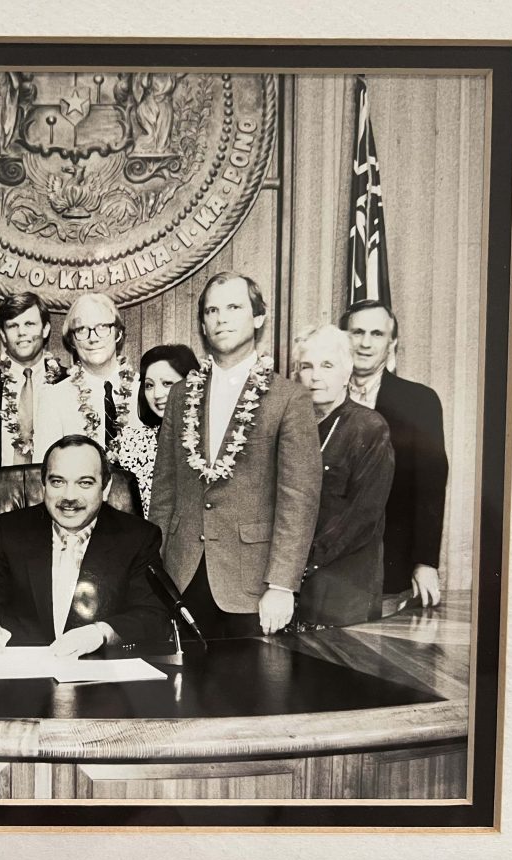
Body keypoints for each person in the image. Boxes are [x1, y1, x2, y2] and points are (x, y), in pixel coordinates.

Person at [150, 272, 322, 639]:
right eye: (212, 310)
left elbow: (299, 501)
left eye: (233, 307)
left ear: (258, 318)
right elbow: (163, 491)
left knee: (248, 690)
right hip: (182, 576)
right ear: (202, 324)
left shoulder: (289, 399)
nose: (221, 318)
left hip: (253, 586)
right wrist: (155, 572)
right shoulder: (181, 395)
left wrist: (281, 585)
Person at [0, 435, 170, 656]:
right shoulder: (7, 531)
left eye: (85, 483)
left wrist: (101, 633)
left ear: (106, 488)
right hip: (23, 676)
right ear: (44, 485)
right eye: (58, 482)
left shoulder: (137, 537)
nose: (69, 496)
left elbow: (154, 615)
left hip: (100, 676)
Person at [341, 299, 449, 607]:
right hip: (325, 571)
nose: (364, 343)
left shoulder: (420, 402)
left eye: (376, 334)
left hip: (391, 569)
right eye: (356, 332)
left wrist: (426, 562)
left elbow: (430, 488)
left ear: (393, 342)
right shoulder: (317, 396)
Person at [292, 325, 395, 627]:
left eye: (327, 365)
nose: (315, 376)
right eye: (306, 366)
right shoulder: (290, 426)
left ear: (347, 370)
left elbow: (361, 516)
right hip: (291, 580)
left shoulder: (369, 427)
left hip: (343, 585)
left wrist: (301, 562)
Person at [0, 292, 67, 471]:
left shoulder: (67, 382)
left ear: (46, 329)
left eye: (29, 324)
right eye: (13, 326)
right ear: (2, 334)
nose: (21, 332)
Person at [34, 292, 142, 462]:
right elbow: (43, 471)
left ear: (118, 333)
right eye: (81, 330)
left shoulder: (143, 390)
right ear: (72, 341)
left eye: (102, 327)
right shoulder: (53, 398)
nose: (93, 338)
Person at [116, 344, 201, 517]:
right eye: (149, 385)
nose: (156, 394)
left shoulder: (208, 440)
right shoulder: (131, 442)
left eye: (167, 383)